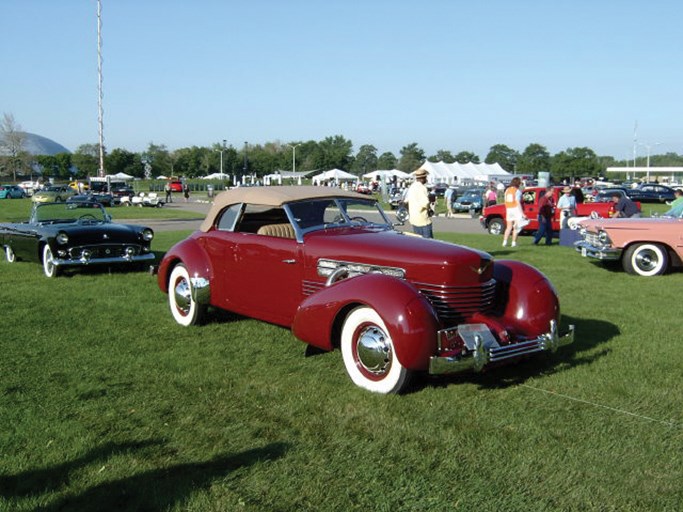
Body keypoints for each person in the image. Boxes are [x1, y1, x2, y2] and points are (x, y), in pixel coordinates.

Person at [405, 168, 433, 238]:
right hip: (423, 221)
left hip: (414, 219)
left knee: (419, 242)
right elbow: (425, 203)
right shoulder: (422, 187)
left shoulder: (412, 187)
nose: (426, 179)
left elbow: (406, 202)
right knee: (428, 244)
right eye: (426, 177)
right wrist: (430, 208)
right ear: (423, 178)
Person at [502, 177, 524, 247]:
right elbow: (517, 202)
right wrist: (522, 213)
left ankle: (504, 242)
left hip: (509, 209)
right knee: (516, 227)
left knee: (508, 227)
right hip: (515, 209)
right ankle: (514, 242)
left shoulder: (507, 190)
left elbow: (505, 201)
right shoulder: (517, 191)